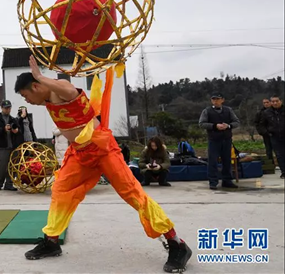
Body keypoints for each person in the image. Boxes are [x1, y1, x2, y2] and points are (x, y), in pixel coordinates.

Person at [14, 56, 191, 273]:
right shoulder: (45, 99)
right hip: (80, 154)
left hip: (103, 149)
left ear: (35, 86)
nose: (27, 101)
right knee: (61, 190)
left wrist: (40, 76)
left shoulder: (61, 89)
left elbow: (68, 91)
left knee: (133, 194)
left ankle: (176, 243)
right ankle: (51, 242)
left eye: (26, 95)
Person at [198, 92, 240, 190]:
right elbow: (201, 123)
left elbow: (237, 122)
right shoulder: (207, 111)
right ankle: (213, 182)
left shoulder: (228, 110)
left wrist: (228, 126)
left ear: (222, 100)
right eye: (213, 99)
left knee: (227, 161)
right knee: (212, 161)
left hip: (226, 139)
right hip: (213, 140)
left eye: (217, 99)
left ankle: (227, 180)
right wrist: (214, 126)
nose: (215, 101)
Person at [0, 100, 20, 191]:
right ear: (2, 108)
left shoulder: (13, 119)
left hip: (12, 146)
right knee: (2, 166)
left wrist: (16, 131)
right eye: (6, 108)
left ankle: (9, 183)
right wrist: (3, 129)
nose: (8, 110)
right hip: (2, 146)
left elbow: (19, 131)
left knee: (12, 166)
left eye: (9, 108)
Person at [258, 95, 284, 179]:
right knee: (279, 155)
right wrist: (267, 133)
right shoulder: (266, 113)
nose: (275, 103)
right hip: (274, 136)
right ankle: (283, 171)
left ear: (281, 101)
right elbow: (261, 125)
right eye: (273, 101)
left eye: (277, 101)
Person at [255, 98, 274, 166]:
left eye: (267, 102)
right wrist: (262, 132)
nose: (266, 104)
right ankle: (271, 164)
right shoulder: (260, 112)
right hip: (266, 134)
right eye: (264, 103)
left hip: (277, 133)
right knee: (268, 150)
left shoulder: (275, 111)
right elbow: (257, 123)